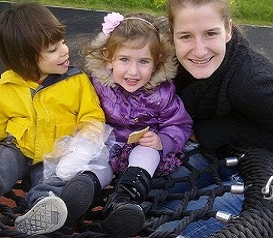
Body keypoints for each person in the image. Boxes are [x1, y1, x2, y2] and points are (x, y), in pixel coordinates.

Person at [157, 0, 273, 236]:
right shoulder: (172, 64)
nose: (199, 50)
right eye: (186, 36)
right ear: (172, 34)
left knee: (171, 228)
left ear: (228, 30)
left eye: (211, 34)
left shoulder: (249, 82)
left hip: (248, 168)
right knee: (149, 194)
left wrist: (217, 130)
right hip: (207, 152)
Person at [0, 2, 113, 235]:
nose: (65, 51)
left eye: (62, 42)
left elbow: (92, 113)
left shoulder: (76, 80)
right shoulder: (6, 87)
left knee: (56, 179)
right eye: (53, 49)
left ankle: (42, 208)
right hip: (18, 147)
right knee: (1, 164)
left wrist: (87, 134)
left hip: (56, 152)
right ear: (25, 60)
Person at [82, 12, 194, 236]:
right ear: (108, 58)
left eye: (143, 62)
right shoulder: (98, 85)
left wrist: (161, 141)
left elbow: (179, 123)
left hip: (141, 151)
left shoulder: (161, 93)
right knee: (96, 158)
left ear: (156, 63)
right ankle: (84, 189)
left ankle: (124, 200)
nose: (133, 72)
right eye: (124, 60)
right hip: (108, 145)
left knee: (147, 150)